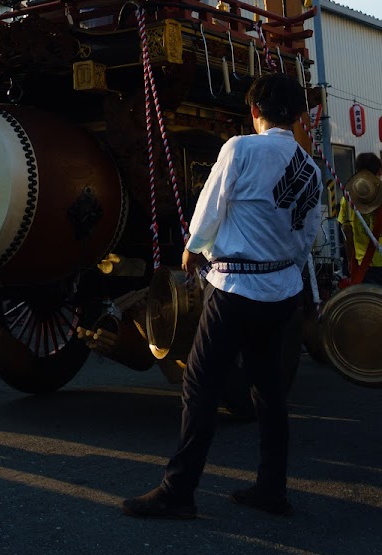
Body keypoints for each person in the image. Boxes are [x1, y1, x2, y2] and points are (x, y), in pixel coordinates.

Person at [122, 73, 322, 520]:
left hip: (235, 290)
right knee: (268, 392)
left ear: (255, 112)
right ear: (298, 116)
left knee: (199, 385)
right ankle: (272, 488)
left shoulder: (241, 149)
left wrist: (193, 248)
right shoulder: (310, 168)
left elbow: (210, 206)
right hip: (281, 291)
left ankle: (179, 490)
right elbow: (308, 234)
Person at [338, 153, 382, 286]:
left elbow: (347, 234)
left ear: (357, 172)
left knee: (368, 304)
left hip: (363, 266)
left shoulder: (347, 199)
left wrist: (350, 260)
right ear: (379, 172)